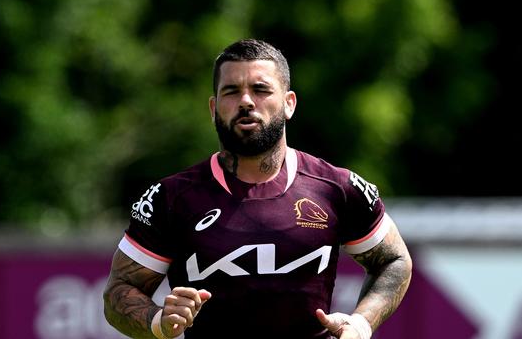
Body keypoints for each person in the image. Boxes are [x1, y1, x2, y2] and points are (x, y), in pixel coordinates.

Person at [103, 39, 412, 339]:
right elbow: (118, 293)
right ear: (213, 107)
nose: (246, 101)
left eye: (261, 89)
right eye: (231, 91)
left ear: (289, 103)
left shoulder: (336, 187)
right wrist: (158, 321)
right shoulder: (171, 198)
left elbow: (395, 261)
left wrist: (360, 325)